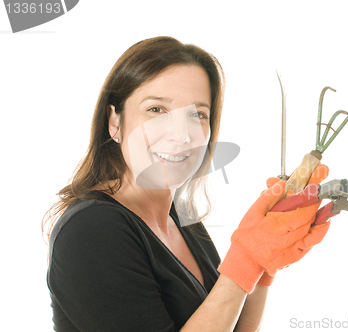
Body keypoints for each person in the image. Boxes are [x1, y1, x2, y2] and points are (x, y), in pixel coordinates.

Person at [43, 36, 331, 332]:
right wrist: (245, 258)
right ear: (115, 121)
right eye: (156, 109)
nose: (180, 134)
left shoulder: (181, 219)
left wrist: (262, 268)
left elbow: (234, 328)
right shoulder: (92, 229)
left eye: (197, 114)